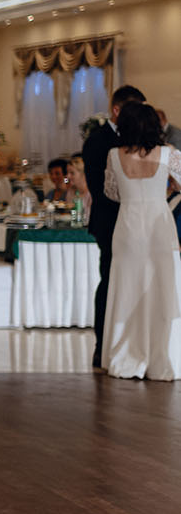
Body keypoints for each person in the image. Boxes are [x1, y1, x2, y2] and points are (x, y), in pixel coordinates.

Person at [99, 102, 181, 380]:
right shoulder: (169, 153)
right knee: (162, 287)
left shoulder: (114, 155)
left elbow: (111, 192)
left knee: (127, 288)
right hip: (160, 226)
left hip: (128, 226)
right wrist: (169, 187)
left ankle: (126, 354)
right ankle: (162, 356)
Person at [83, 85, 147, 369]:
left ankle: (135, 343)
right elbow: (100, 190)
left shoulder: (140, 138)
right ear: (117, 110)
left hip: (141, 224)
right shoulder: (98, 141)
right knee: (110, 281)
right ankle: (103, 345)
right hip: (111, 224)